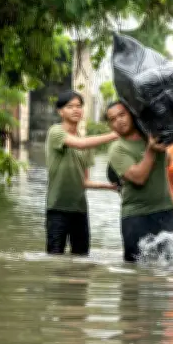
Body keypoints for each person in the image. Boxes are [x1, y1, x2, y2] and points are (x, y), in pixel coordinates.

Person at [45, 90, 119, 255]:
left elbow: (84, 182)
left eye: (79, 106)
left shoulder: (85, 142)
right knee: (54, 257)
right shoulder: (55, 132)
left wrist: (109, 187)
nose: (76, 110)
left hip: (79, 210)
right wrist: (115, 134)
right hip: (57, 208)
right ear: (60, 111)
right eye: (70, 106)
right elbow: (80, 144)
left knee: (82, 258)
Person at [105, 100, 173, 263]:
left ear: (131, 114)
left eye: (122, 115)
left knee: (172, 266)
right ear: (110, 125)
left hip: (166, 211)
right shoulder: (117, 149)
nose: (119, 120)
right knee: (136, 272)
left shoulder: (152, 136)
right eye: (113, 119)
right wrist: (151, 150)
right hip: (136, 216)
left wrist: (161, 145)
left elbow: (168, 161)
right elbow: (138, 178)